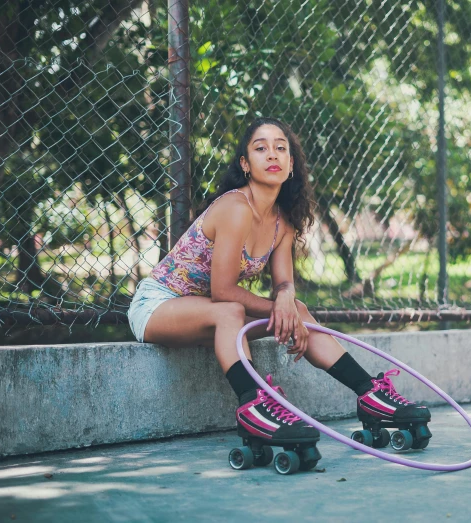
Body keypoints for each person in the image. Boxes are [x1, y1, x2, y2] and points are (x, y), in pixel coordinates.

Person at [127, 117, 430, 451]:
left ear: (290, 164)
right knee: (231, 310)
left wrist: (287, 299)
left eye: (280, 148)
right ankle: (254, 406)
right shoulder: (234, 208)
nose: (272, 154)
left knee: (297, 309)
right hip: (159, 306)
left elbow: (284, 282)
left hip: (207, 314)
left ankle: (370, 393)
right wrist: (279, 308)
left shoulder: (281, 223)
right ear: (245, 164)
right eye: (260, 148)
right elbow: (223, 291)